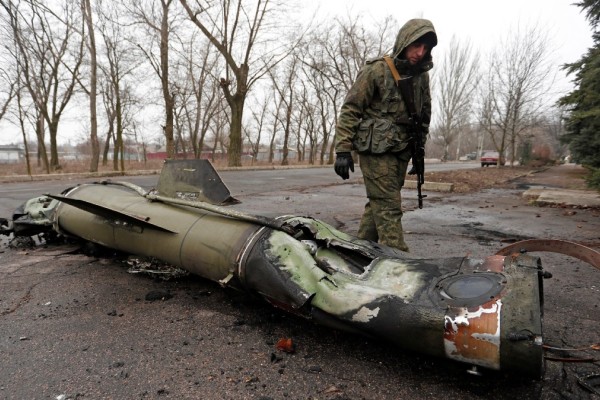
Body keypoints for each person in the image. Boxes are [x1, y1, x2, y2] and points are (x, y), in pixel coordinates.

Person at [333, 18, 437, 252]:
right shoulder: (377, 70)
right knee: (389, 206)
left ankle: (358, 253)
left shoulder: (422, 77)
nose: (420, 53)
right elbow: (351, 108)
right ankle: (399, 264)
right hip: (376, 149)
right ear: (404, 42)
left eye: (425, 48)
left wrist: (418, 153)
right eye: (415, 46)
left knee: (378, 204)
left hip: (401, 150)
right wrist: (343, 148)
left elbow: (424, 115)